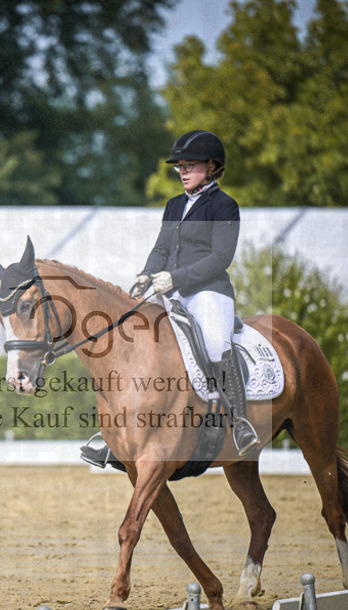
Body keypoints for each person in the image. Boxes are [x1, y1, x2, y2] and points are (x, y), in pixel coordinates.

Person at [81, 130, 259, 470]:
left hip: (209, 292)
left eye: (190, 165)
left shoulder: (224, 206)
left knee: (214, 343)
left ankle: (239, 424)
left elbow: (221, 257)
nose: (183, 170)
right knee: (132, 339)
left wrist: (176, 278)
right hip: (170, 291)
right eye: (180, 165)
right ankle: (113, 434)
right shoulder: (174, 205)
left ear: (212, 166)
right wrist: (146, 275)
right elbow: (162, 248)